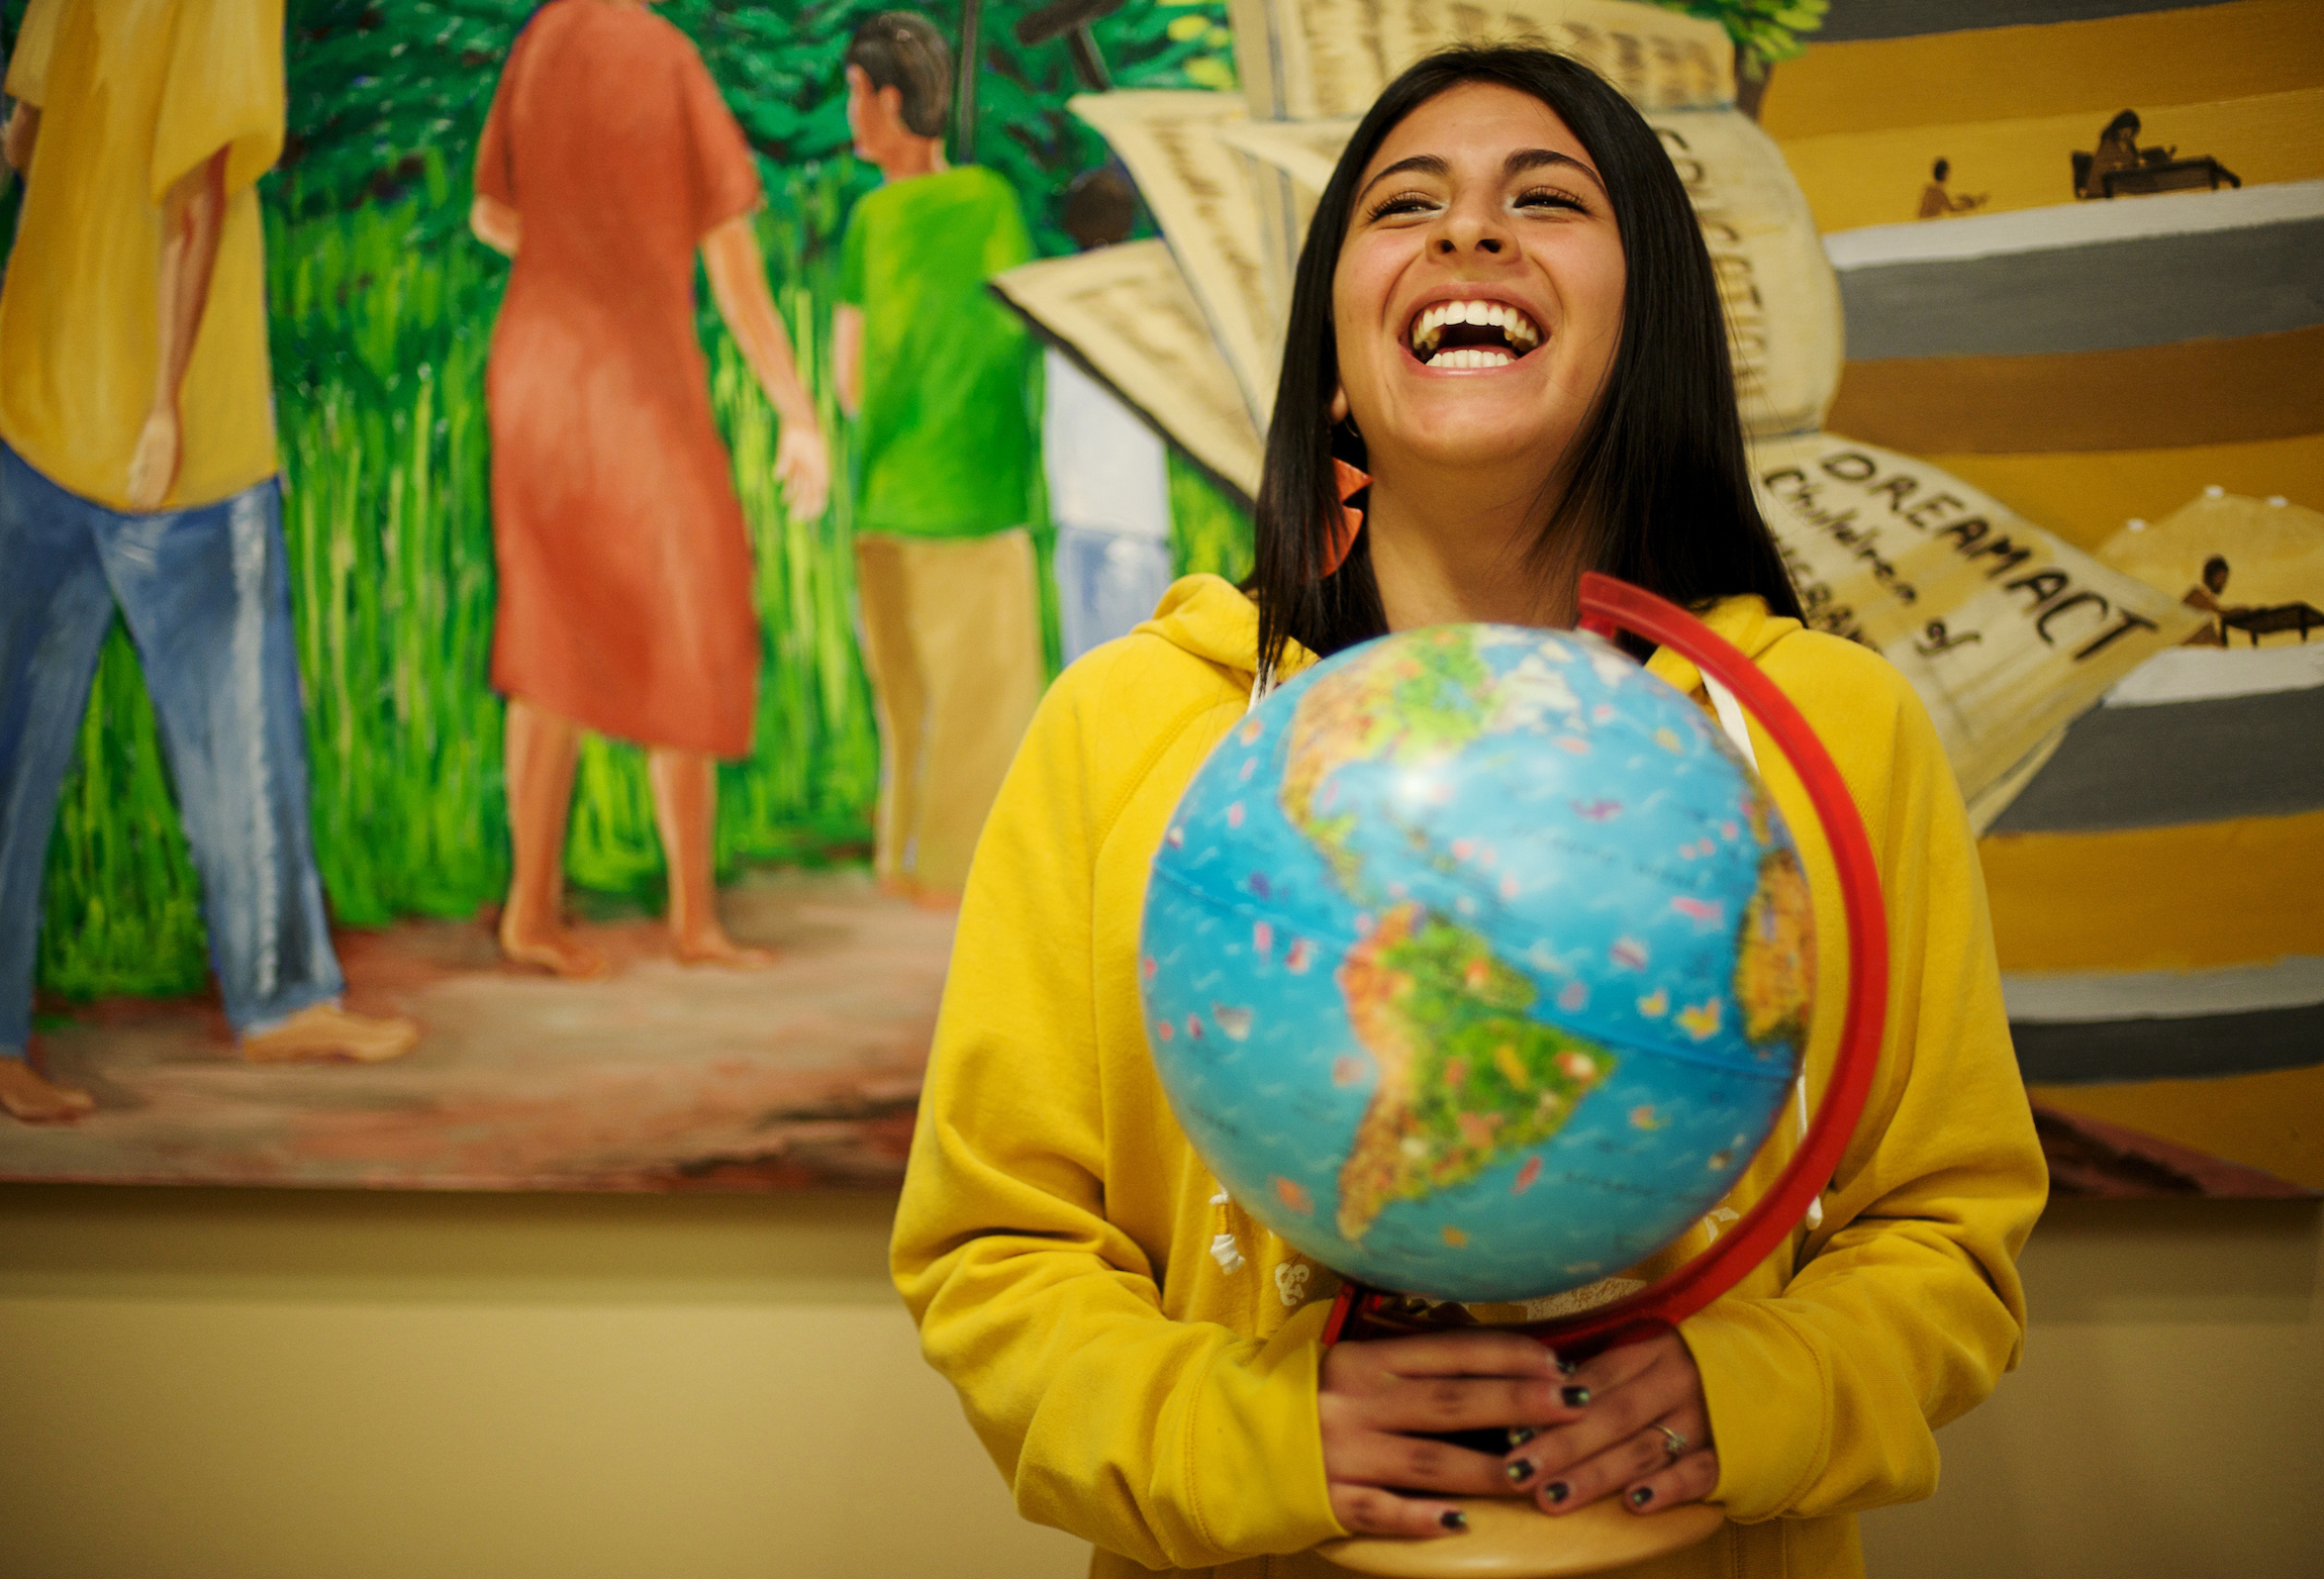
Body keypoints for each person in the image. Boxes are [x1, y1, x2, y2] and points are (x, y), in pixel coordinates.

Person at [891, 45, 2046, 1578]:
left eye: (1547, 199)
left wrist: (1755, 1387)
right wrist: (1245, 1428)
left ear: (1655, 318)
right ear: (1333, 341)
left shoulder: (1832, 730)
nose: (1468, 235)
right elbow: (996, 1250)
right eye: (1404, 205)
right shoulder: (1124, 725)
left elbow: (1948, 1227)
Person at [0, 0, 419, 1125]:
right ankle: (282, 996)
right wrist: (162, 406)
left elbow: (22, 138)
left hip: (49, 373)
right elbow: (197, 191)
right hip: (171, 415)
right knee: (238, 694)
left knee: (9, 710)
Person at [471, 0, 828, 976]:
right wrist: (796, 409)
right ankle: (693, 918)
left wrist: (573, 254)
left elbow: (490, 215)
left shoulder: (540, 42)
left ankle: (532, 909)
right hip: (631, 377)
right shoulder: (663, 57)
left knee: (551, 619)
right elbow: (735, 265)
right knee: (696, 607)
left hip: (537, 364)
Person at [833, 12, 1043, 906]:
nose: (850, 117)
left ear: (888, 99)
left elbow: (847, 374)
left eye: (854, 96)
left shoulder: (870, 221)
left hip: (886, 499)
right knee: (981, 706)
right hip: (976, 497)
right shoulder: (991, 202)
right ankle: (960, 874)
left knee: (906, 703)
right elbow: (1020, 332)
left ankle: (902, 860)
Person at [1044, 167, 1179, 665]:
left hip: (1078, 518)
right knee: (1139, 675)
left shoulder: (1057, 298)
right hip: (1136, 520)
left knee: (1087, 676)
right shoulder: (1145, 298)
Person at [1916, 156, 1985, 220]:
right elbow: (1952, 209)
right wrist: (1969, 205)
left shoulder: (1929, 189)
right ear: (1944, 174)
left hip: (1923, 225)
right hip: (1929, 226)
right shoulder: (1938, 191)